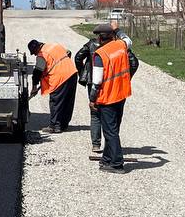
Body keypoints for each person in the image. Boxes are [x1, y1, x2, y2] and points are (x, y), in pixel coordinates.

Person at [88, 23, 133, 173]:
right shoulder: (121, 46)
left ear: (100, 38)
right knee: (113, 129)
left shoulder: (100, 54)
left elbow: (97, 81)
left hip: (107, 98)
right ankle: (107, 159)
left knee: (110, 131)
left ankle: (116, 163)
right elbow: (128, 39)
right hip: (121, 94)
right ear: (112, 35)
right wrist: (117, 28)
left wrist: (92, 99)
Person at [27, 39, 77, 133]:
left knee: (55, 101)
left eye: (34, 52)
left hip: (60, 77)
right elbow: (68, 53)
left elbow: (38, 71)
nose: (35, 55)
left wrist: (34, 87)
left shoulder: (42, 54)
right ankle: (64, 124)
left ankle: (55, 126)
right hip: (72, 73)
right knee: (67, 101)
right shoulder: (54, 45)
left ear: (37, 48)